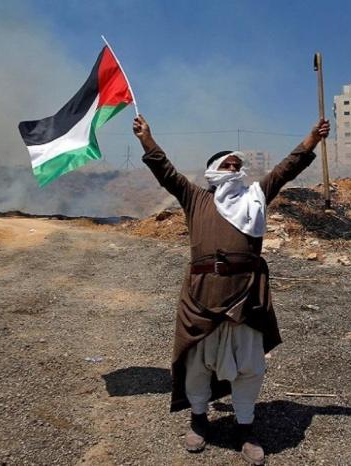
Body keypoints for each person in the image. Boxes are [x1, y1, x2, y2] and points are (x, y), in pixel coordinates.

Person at [132, 114, 330, 465]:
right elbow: (164, 171)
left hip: (246, 297)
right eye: (228, 164)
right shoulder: (195, 198)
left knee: (249, 366)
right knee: (197, 363)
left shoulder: (256, 197)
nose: (235, 169)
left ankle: (245, 427)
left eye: (238, 165)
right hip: (201, 297)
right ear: (213, 171)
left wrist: (312, 139)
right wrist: (146, 138)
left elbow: (286, 169)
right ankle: (198, 420)